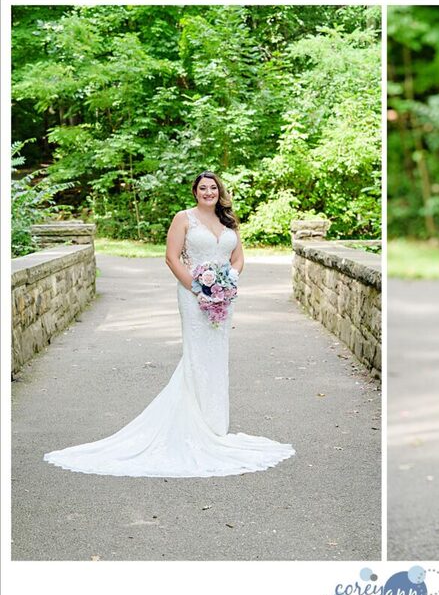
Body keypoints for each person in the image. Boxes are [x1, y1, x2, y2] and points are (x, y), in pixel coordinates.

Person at [44, 171, 295, 477]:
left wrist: (229, 281)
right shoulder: (184, 219)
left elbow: (238, 258)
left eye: (213, 188)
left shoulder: (229, 221)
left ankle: (215, 426)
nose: (208, 192)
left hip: (224, 298)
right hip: (192, 294)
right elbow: (171, 258)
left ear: (219, 191)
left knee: (217, 356)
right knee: (197, 355)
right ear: (195, 192)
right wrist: (199, 287)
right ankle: (193, 424)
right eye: (202, 188)